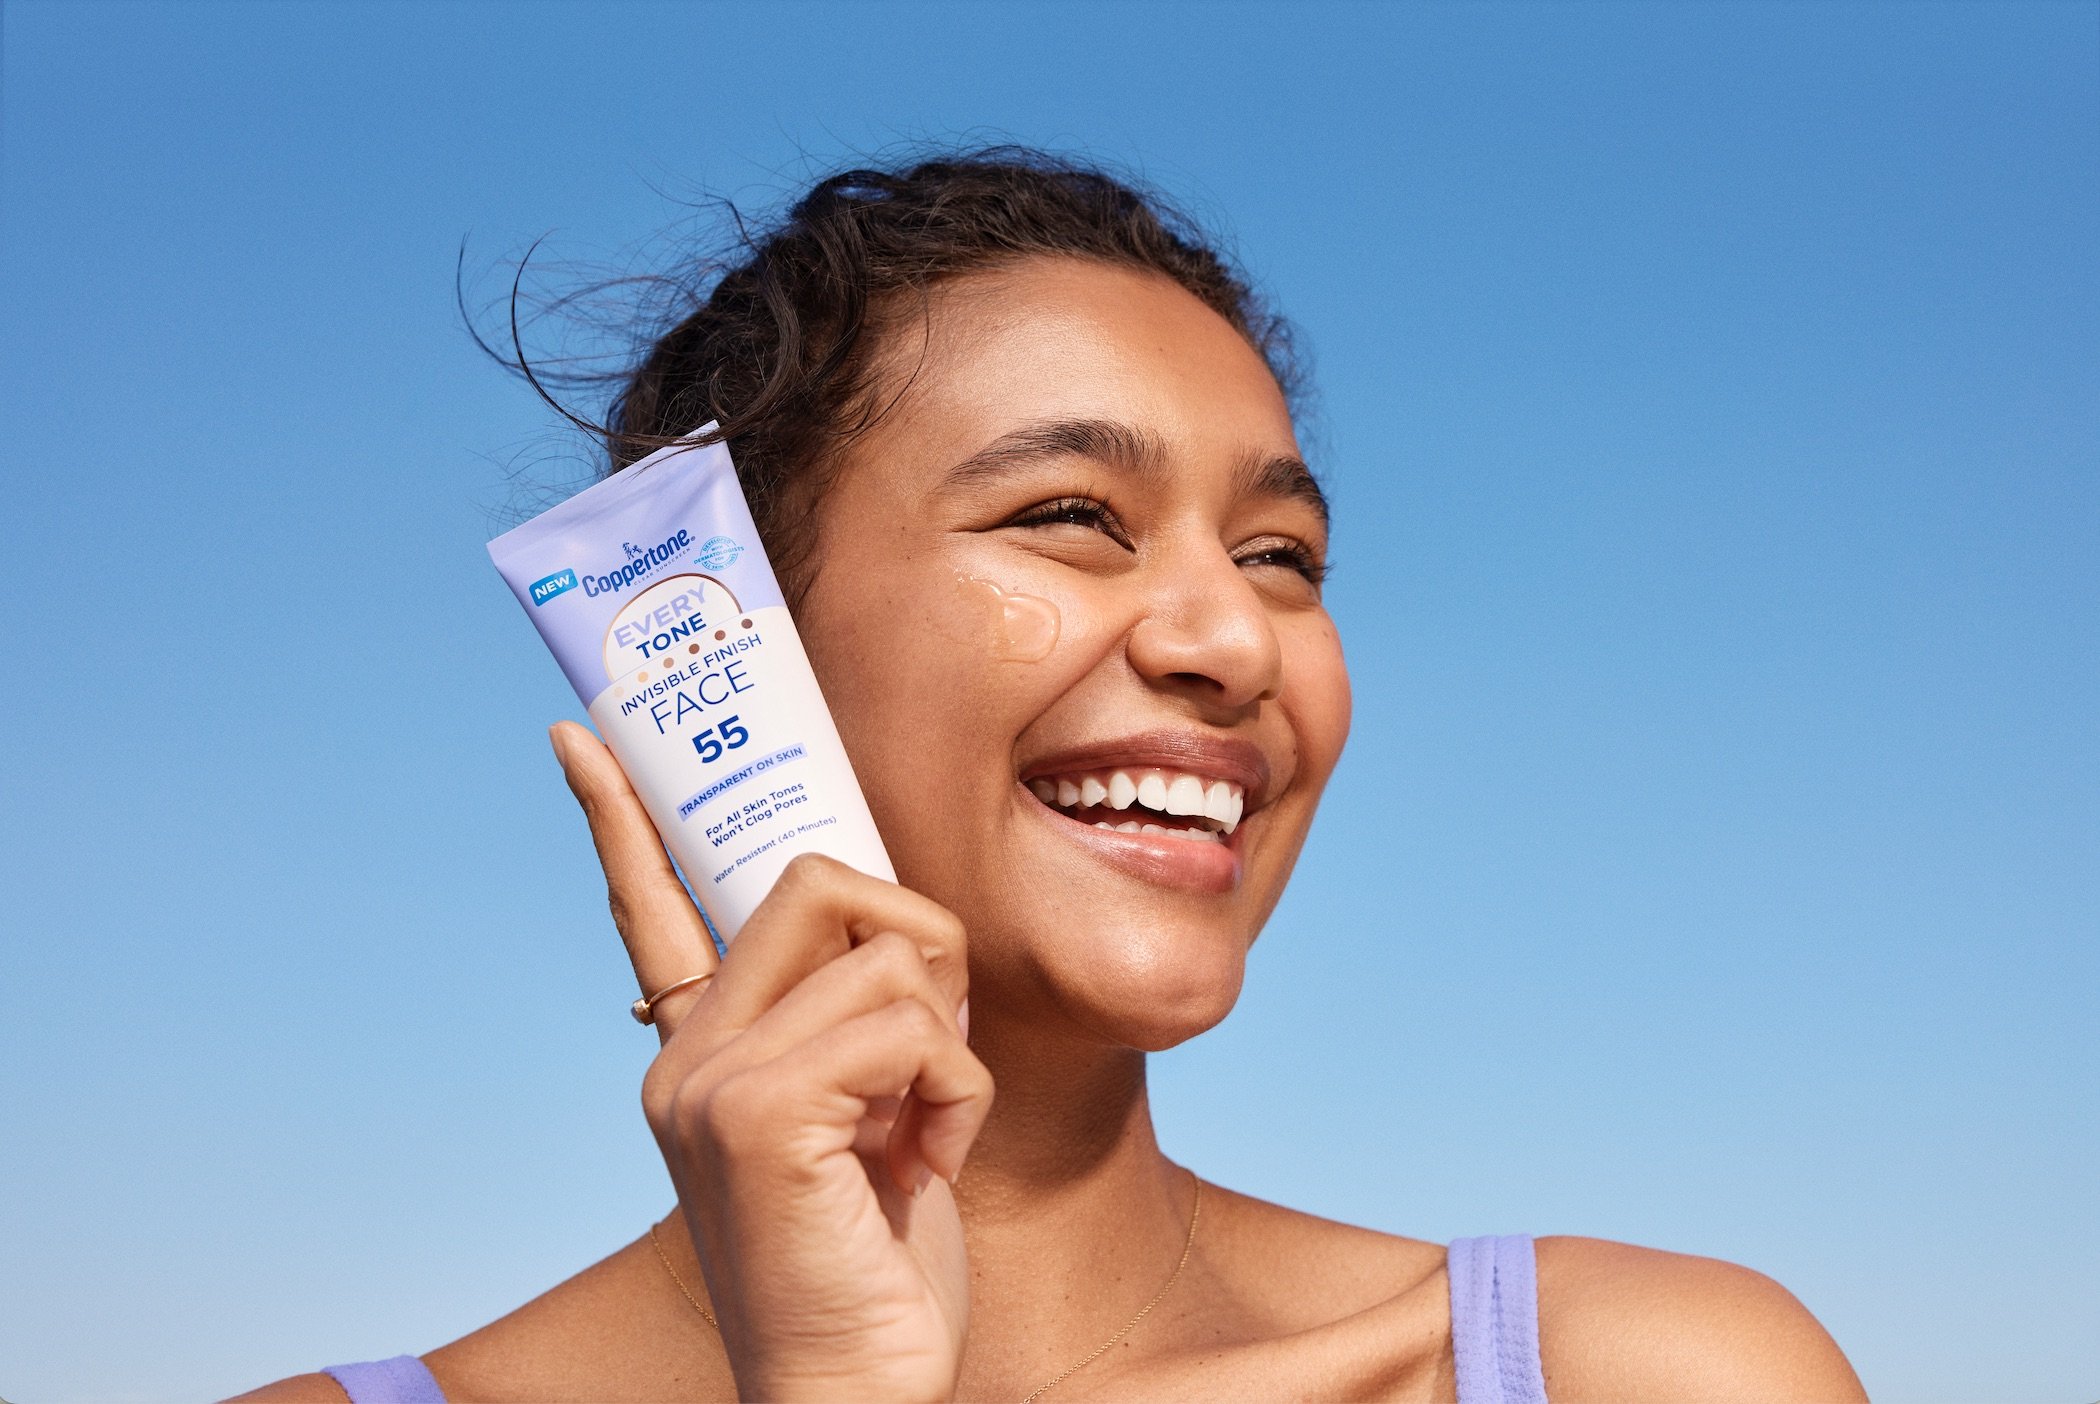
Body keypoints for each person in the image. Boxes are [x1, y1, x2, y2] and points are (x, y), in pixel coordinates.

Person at [236, 148, 1867, 1403]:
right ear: (727, 646)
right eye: (1071, 516)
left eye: (1284, 553)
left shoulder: (1640, 1370)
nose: (1236, 634)